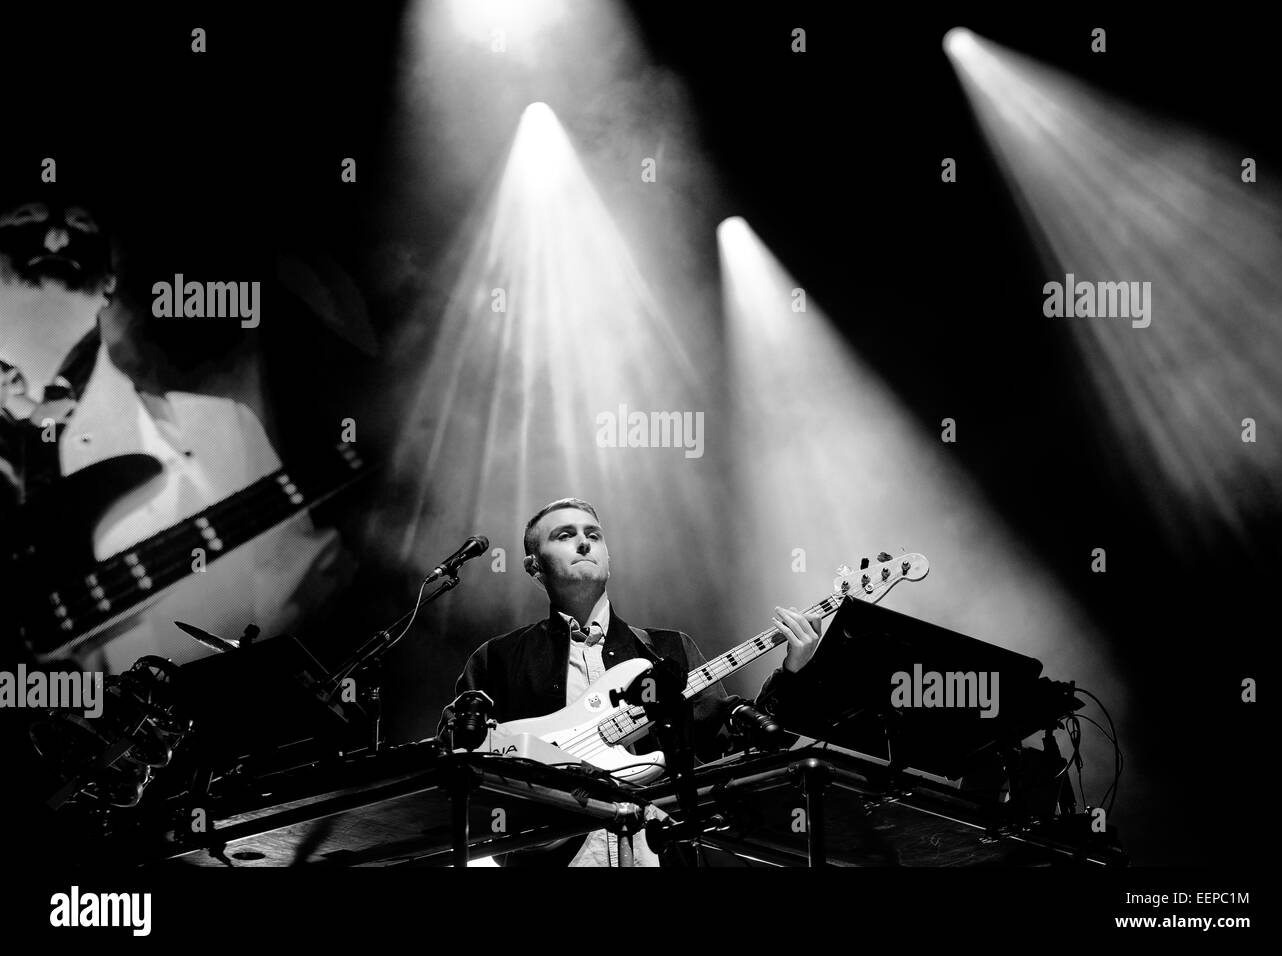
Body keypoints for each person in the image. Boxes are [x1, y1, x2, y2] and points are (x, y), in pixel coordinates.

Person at [0, 192, 350, 674]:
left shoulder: (221, 430)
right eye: (24, 223)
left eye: (80, 229)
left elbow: (303, 600)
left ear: (109, 283)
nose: (58, 237)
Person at [436, 496, 825, 866]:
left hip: (659, 853)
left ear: (609, 558)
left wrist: (792, 675)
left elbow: (732, 749)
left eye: (594, 535)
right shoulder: (497, 658)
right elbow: (457, 762)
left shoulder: (667, 650)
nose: (584, 543)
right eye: (565, 535)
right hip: (549, 856)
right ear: (534, 566)